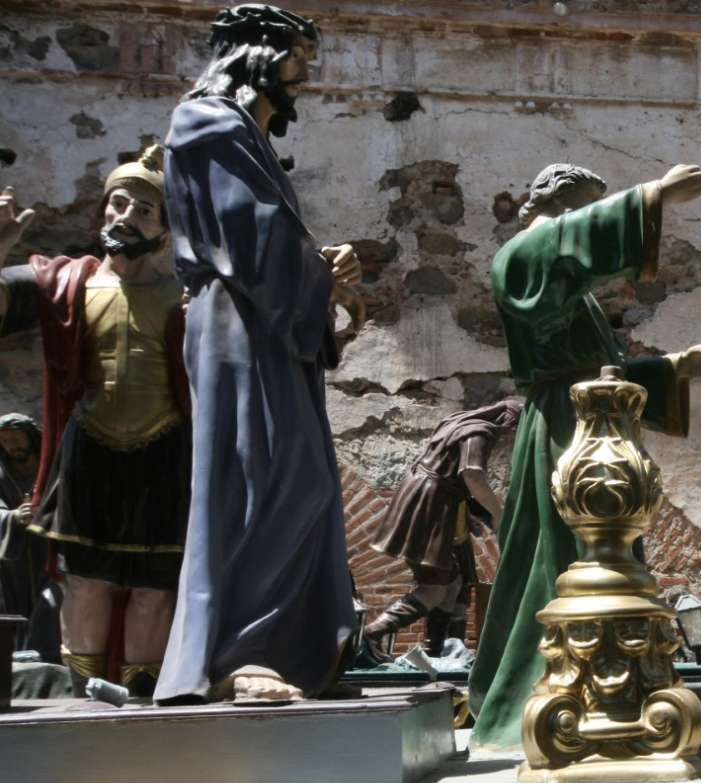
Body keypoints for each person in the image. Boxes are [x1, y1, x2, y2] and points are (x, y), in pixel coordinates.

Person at [467, 161, 701, 749]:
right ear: (557, 202)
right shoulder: (521, 258)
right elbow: (559, 247)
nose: (585, 222)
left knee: (602, 558)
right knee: (562, 559)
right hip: (565, 430)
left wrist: (669, 369)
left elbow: (588, 366)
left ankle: (605, 685)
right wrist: (651, 196)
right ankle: (550, 696)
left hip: (587, 420)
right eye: (581, 207)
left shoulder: (568, 289)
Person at [157, 4, 364, 703]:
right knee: (259, 471)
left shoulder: (242, 132)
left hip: (265, 321)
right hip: (235, 319)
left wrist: (322, 274)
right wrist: (322, 271)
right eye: (296, 55)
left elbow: (271, 240)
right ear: (256, 52)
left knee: (300, 475)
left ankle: (278, 643)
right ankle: (235, 653)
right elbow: (250, 237)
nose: (304, 73)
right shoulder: (207, 121)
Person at [0, 152, 189, 695]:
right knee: (86, 582)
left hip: (167, 449)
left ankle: (142, 699)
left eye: (145, 209)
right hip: (89, 448)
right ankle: (84, 698)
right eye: (118, 202)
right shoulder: (64, 282)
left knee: (155, 587)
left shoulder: (186, 295)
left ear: (164, 228)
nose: (125, 215)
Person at [364, 397, 524, 658]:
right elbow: (472, 474)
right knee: (435, 587)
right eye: (514, 430)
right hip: (432, 506)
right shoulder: (478, 432)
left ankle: (440, 652)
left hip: (440, 503)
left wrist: (467, 511)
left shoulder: (458, 422)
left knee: (456, 583)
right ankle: (372, 634)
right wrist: (498, 513)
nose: (511, 437)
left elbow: (450, 473)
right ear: (508, 422)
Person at [0, 414, 53, 657]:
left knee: (50, 604)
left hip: (49, 551)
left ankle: (50, 655)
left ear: (30, 436)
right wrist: (13, 517)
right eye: (5, 440)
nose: (11, 445)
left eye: (16, 438)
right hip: (15, 561)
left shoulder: (50, 466)